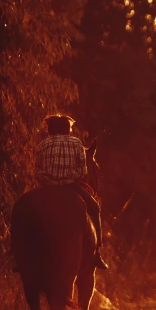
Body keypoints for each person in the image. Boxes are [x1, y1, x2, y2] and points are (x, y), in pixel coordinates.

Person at [13, 114, 108, 270]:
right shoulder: (76, 144)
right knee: (95, 208)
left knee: (21, 208)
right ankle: (96, 253)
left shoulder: (43, 145)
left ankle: (17, 256)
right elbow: (82, 171)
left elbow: (37, 171)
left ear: (50, 130)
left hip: (47, 187)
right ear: (68, 130)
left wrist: (48, 180)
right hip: (71, 186)